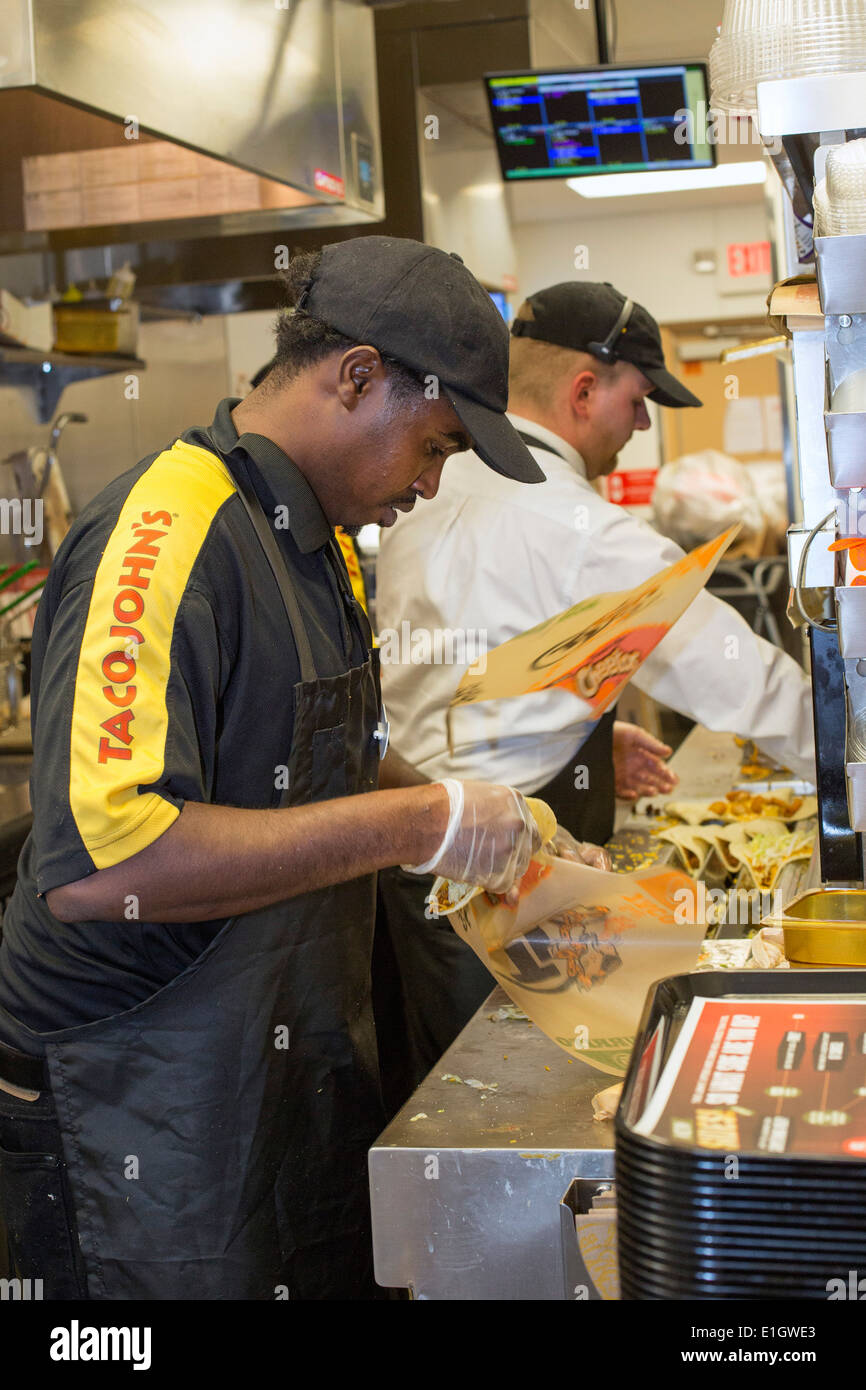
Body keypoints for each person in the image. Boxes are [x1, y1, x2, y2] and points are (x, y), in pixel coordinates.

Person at [0, 236, 548, 1302]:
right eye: (433, 446)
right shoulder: (166, 526)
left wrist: (475, 814)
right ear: (355, 378)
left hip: (266, 1072)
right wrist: (419, 826)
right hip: (130, 1103)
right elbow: (106, 865)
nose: (430, 487)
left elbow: (320, 753)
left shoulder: (316, 536)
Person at [375, 279, 815, 1089]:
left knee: (448, 1085)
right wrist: (848, 766)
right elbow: (744, 680)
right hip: (500, 891)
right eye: (640, 400)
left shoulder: (431, 485)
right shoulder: (575, 525)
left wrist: (573, 718)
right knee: (524, 1099)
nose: (642, 425)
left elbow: (447, 663)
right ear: (584, 391)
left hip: (411, 875)